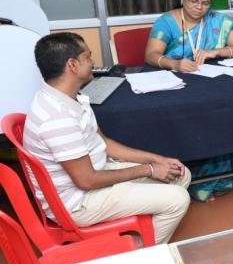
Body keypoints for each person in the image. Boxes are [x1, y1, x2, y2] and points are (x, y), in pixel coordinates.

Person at [22, 33, 190, 244]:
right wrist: (149, 169)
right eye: (87, 57)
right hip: (79, 202)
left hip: (96, 173)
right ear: (72, 65)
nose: (92, 62)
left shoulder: (70, 98)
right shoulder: (57, 118)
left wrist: (157, 160)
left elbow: (105, 143)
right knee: (178, 200)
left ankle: (141, 229)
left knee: (180, 174)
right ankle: (139, 254)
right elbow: (87, 180)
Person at [145, 0, 233, 200]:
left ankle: (218, 178)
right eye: (194, 1)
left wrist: (216, 51)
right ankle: (188, 178)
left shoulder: (218, 21)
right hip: (175, 85)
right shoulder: (167, 22)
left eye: (205, 3)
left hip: (211, 83)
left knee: (221, 114)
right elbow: (151, 55)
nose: (199, 7)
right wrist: (174, 64)